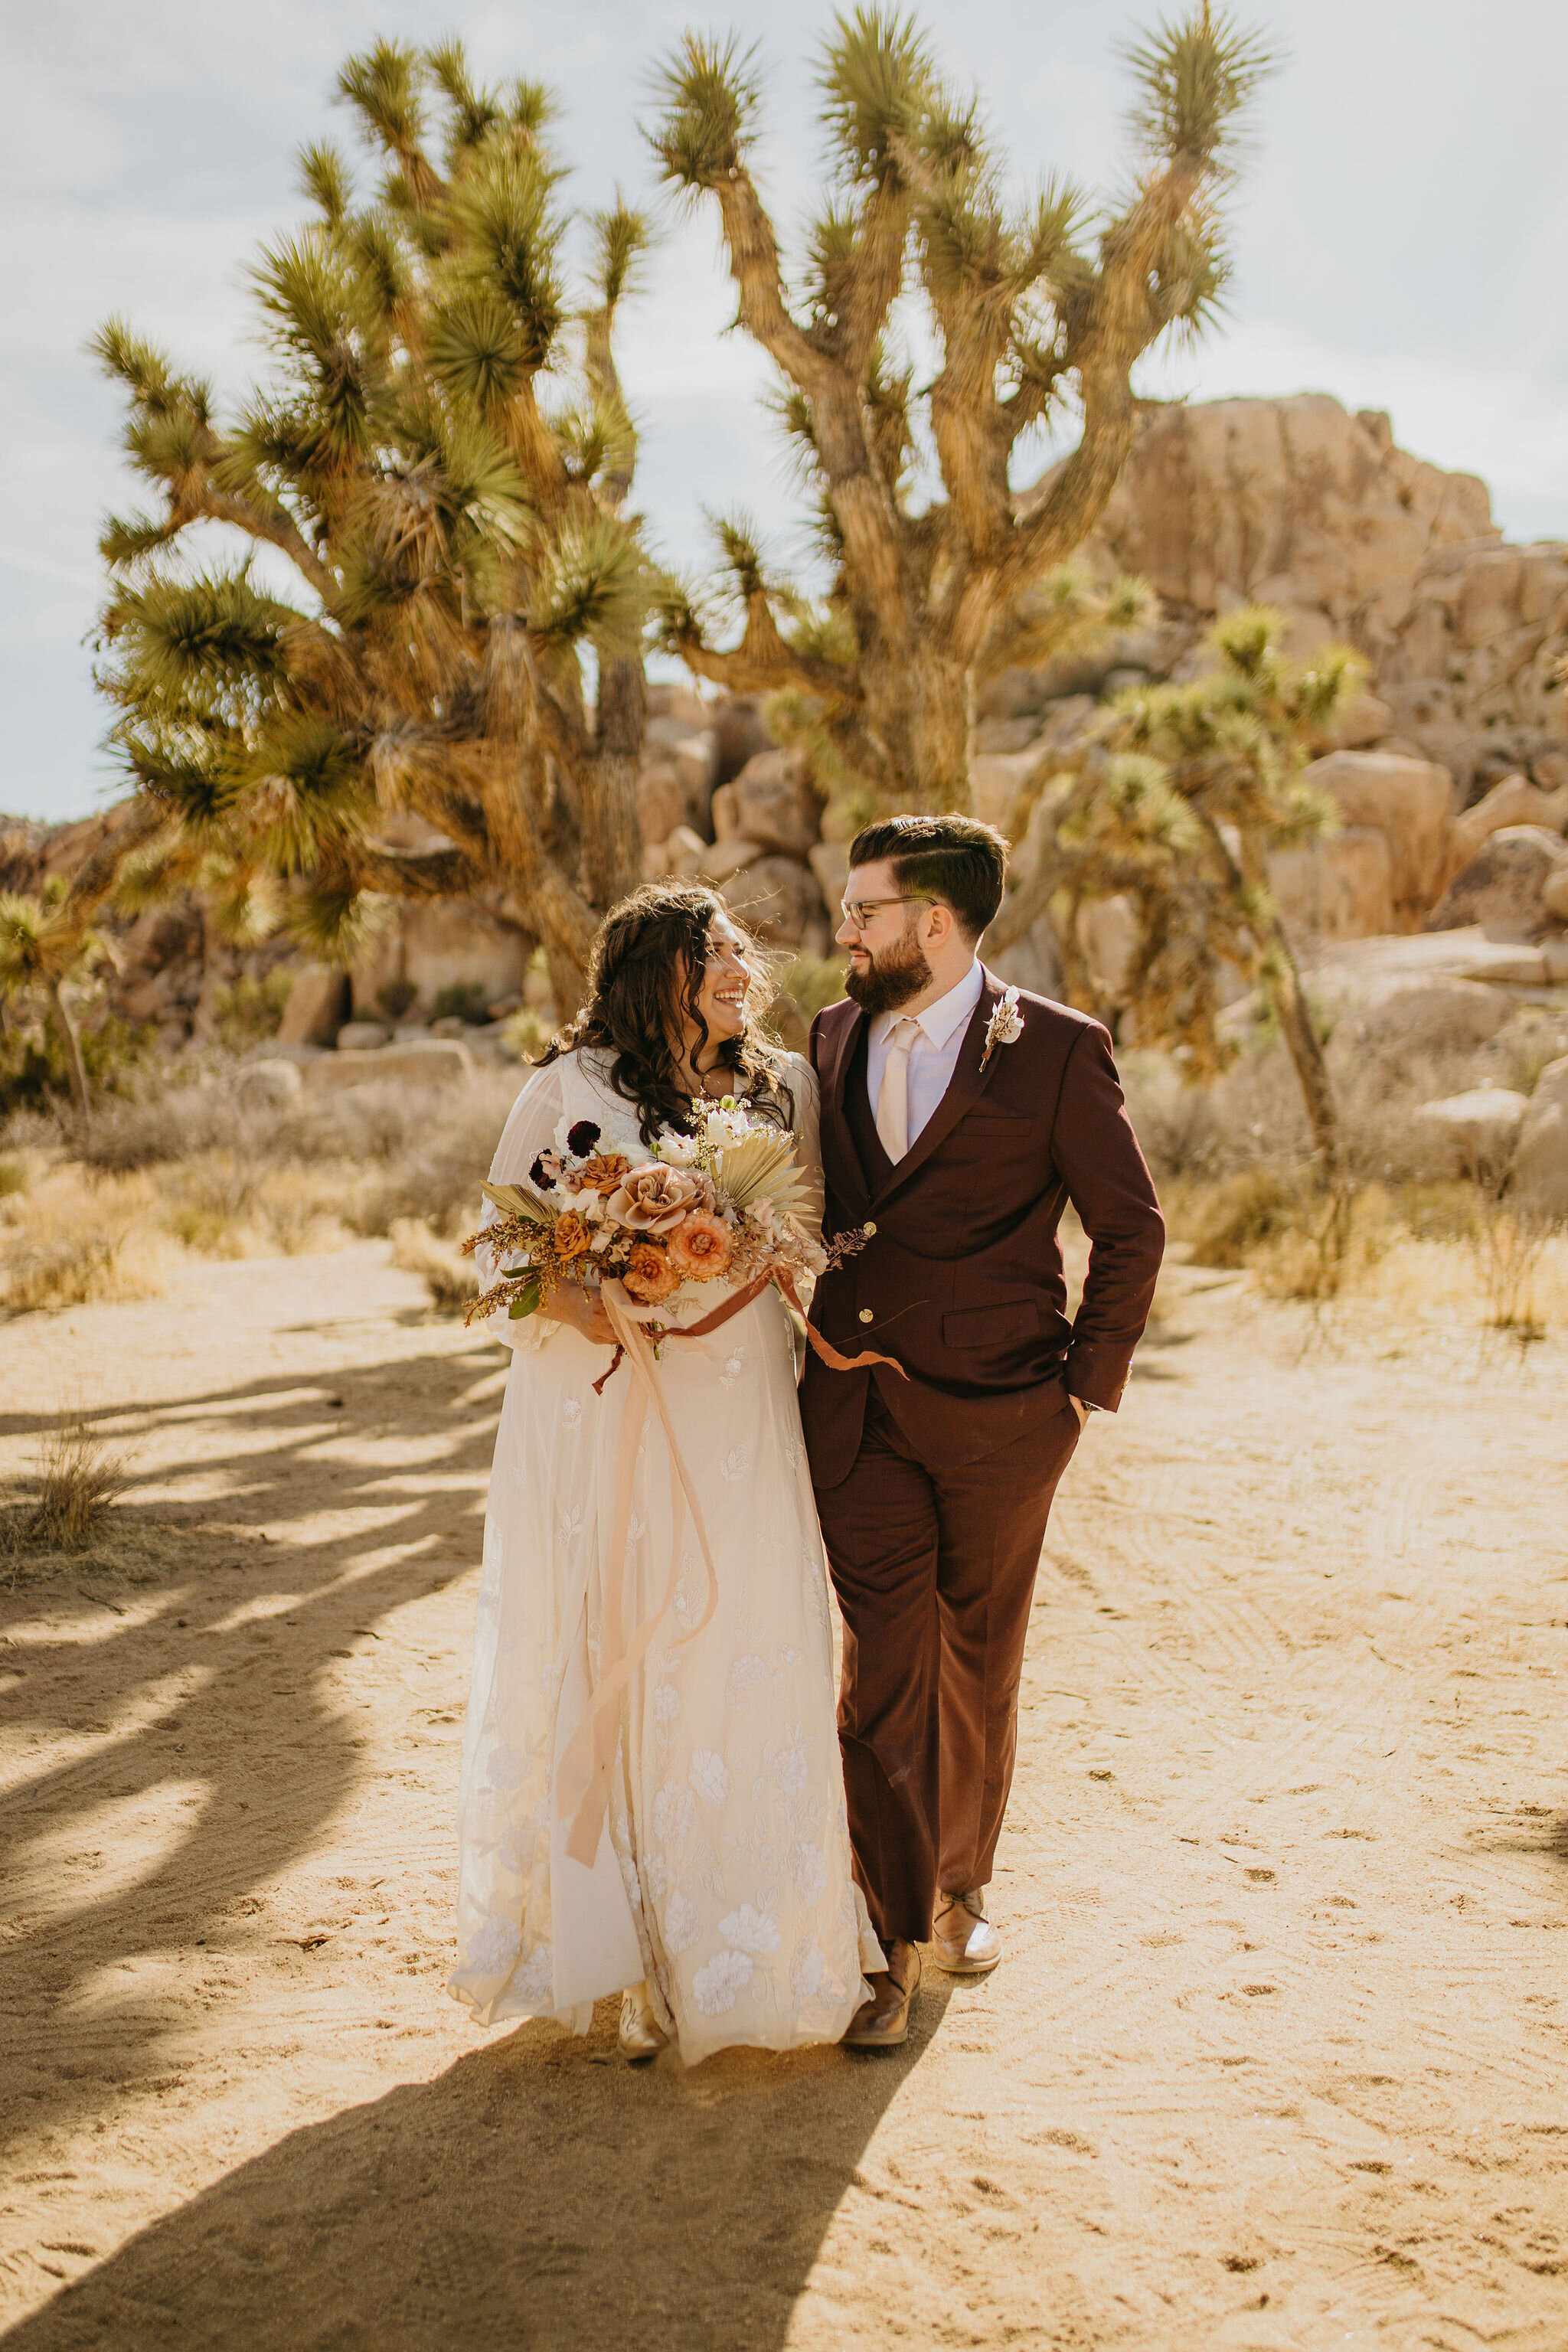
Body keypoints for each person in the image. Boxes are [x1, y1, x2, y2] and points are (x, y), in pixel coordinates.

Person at [448, 884, 881, 2064]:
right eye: (715, 955)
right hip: (616, 1407)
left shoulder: (775, 1085)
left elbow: (806, 1230)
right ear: (655, 975)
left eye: (742, 950)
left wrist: (735, 1258)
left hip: (739, 1398)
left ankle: (745, 1935)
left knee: (736, 1631)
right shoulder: (568, 1090)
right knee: (623, 1639)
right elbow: (496, 1248)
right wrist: (598, 1302)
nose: (743, 969)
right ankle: (624, 1943)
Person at [804, 815, 1165, 2049]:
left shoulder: (1059, 1051)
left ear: (935, 923)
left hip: (1009, 1417)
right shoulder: (829, 1034)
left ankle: (963, 1890)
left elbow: (1132, 1227)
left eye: (864, 910)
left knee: (981, 1663)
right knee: (883, 1666)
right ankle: (888, 1941)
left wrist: (1082, 1388)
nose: (844, 931)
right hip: (854, 1409)